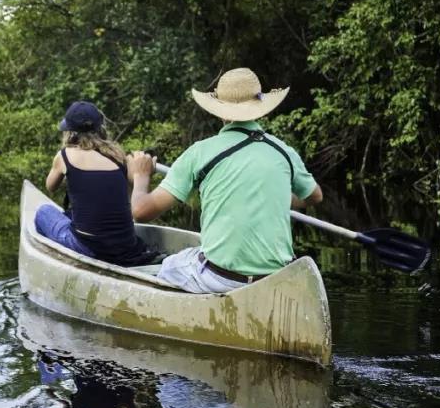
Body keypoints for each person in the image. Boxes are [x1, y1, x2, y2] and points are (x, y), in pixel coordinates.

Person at [127, 68, 323, 293]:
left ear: (219, 111)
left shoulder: (200, 153)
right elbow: (314, 196)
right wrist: (270, 195)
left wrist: (141, 177)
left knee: (169, 265)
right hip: (274, 279)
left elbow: (141, 212)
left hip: (221, 280)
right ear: (260, 110)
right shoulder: (284, 151)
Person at [35, 101, 156, 266]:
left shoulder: (64, 156)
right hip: (125, 247)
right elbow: (134, 184)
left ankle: (56, 261)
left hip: (89, 248)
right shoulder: (118, 156)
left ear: (70, 132)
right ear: (100, 129)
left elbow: (50, 186)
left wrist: (69, 176)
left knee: (43, 211)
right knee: (72, 215)